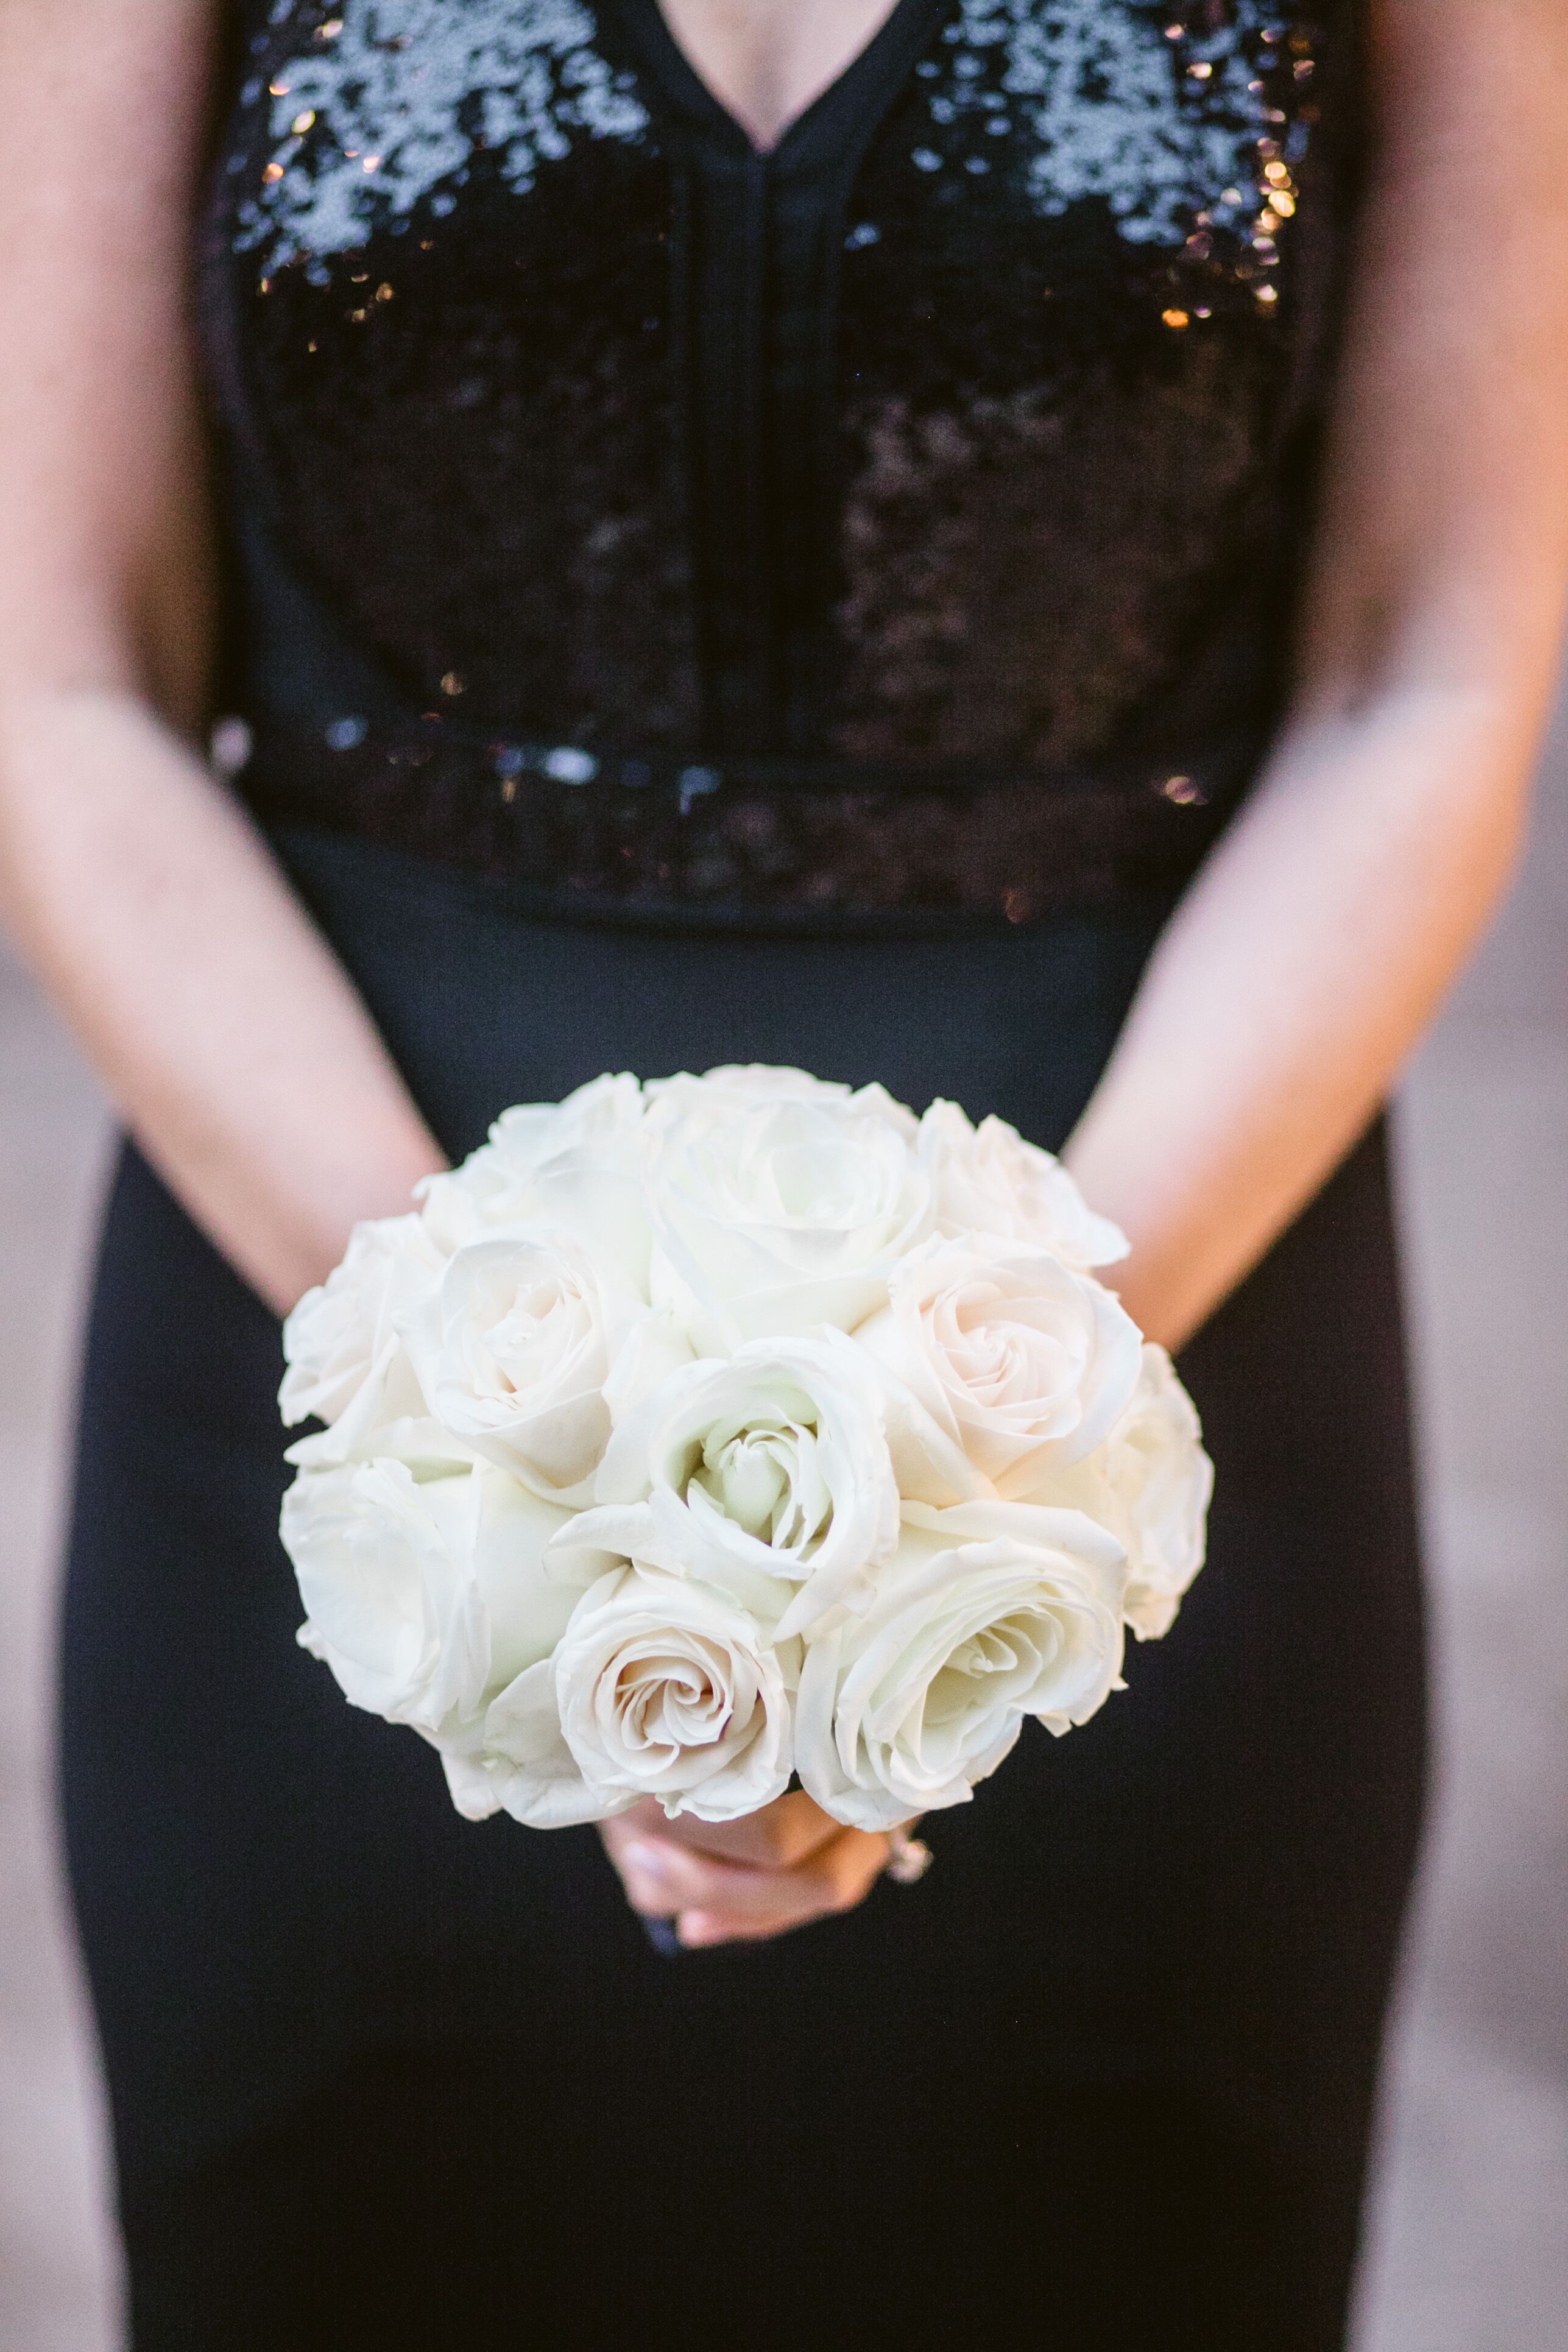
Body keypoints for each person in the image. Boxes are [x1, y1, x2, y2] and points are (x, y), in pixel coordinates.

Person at [1, 1, 1564, 2345]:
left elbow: (1423, 673)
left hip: (1142, 1364)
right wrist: (508, 1455)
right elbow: (61, 680)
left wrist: (990, 1451)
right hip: (349, 1405)